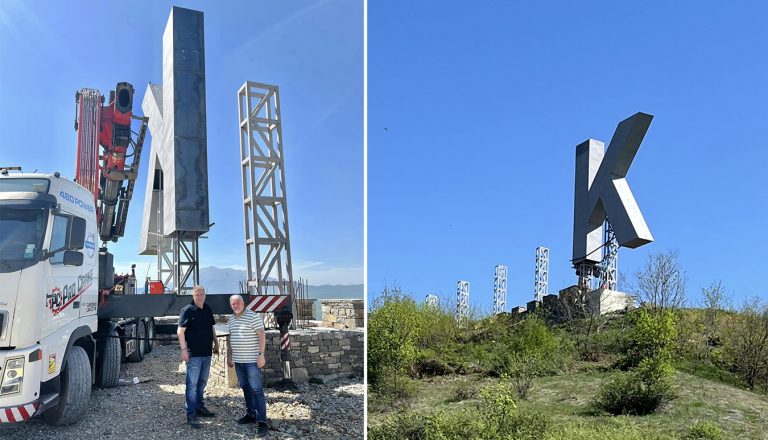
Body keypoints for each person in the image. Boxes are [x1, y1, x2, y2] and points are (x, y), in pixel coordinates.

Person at [177, 285, 220, 429]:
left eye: (202, 294)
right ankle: (191, 415)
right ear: (193, 296)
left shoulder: (207, 309)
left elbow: (211, 327)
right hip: (193, 354)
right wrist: (183, 350)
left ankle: (199, 407)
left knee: (202, 383)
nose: (200, 296)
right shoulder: (187, 310)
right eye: (197, 294)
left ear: (205, 295)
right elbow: (180, 332)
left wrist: (216, 343)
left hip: (207, 353)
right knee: (192, 386)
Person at [226, 294, 268, 436]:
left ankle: (262, 421)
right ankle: (251, 414)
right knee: (245, 388)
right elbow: (230, 338)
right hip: (238, 361)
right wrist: (230, 356)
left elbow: (262, 335)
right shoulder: (231, 319)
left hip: (252, 361)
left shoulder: (253, 316)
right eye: (233, 304)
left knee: (257, 390)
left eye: (238, 303)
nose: (236, 305)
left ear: (243, 303)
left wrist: (261, 355)